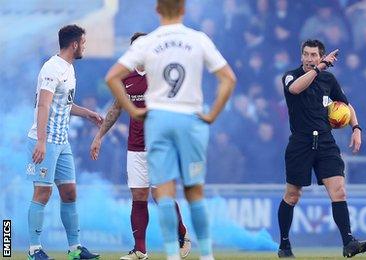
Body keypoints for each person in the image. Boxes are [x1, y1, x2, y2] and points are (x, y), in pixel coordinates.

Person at [104, 0, 237, 259]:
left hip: (159, 122)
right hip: (190, 119)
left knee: (163, 192)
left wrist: (134, 112)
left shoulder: (147, 42)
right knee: (194, 191)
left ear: (157, 10)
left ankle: (171, 254)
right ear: (184, 10)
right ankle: (206, 254)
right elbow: (229, 78)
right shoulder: (198, 39)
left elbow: (111, 77)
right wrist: (211, 114)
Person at [90, 32, 192, 260]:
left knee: (160, 195)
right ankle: (140, 250)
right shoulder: (126, 77)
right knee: (138, 195)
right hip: (135, 147)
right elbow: (116, 109)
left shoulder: (163, 76)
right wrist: (99, 136)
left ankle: (181, 232)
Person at [278, 39, 366, 258]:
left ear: (320, 57)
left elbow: (346, 106)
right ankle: (284, 245)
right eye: (306, 54)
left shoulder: (329, 79)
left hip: (326, 142)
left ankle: (349, 242)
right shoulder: (290, 76)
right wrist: (320, 68)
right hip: (300, 143)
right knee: (292, 196)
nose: (310, 59)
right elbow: (295, 89)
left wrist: (356, 127)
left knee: (339, 191)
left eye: (314, 55)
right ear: (301, 56)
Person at [26, 24, 102, 260]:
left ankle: (74, 249)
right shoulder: (52, 68)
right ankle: (34, 250)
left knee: (69, 193)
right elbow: (43, 105)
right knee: (42, 193)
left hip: (62, 142)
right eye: (84, 43)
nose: (85, 47)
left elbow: (64, 105)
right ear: (75, 44)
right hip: (45, 141)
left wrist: (87, 113)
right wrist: (41, 141)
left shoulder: (69, 68)